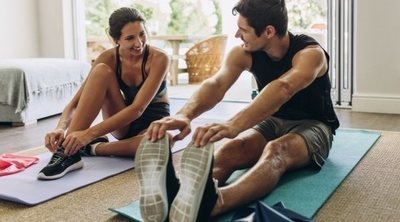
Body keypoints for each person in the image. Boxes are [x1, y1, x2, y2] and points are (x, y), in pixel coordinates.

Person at [136, 0, 340, 221]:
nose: (236, 35)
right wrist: (184, 114)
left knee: (277, 151)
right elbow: (216, 85)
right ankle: (180, 195)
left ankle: (214, 203)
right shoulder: (244, 52)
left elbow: (284, 88)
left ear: (269, 31)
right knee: (234, 147)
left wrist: (234, 124)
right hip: (273, 120)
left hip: (314, 125)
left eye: (243, 30)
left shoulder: (310, 54)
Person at [37, 7, 170, 180]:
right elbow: (76, 102)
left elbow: (138, 109)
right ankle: (68, 152)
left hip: (152, 123)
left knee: (160, 143)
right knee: (100, 71)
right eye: (130, 38)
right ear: (116, 40)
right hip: (122, 123)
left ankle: (91, 148)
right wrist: (60, 127)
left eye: (142, 34)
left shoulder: (159, 58)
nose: (139, 43)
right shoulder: (108, 58)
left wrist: (88, 135)